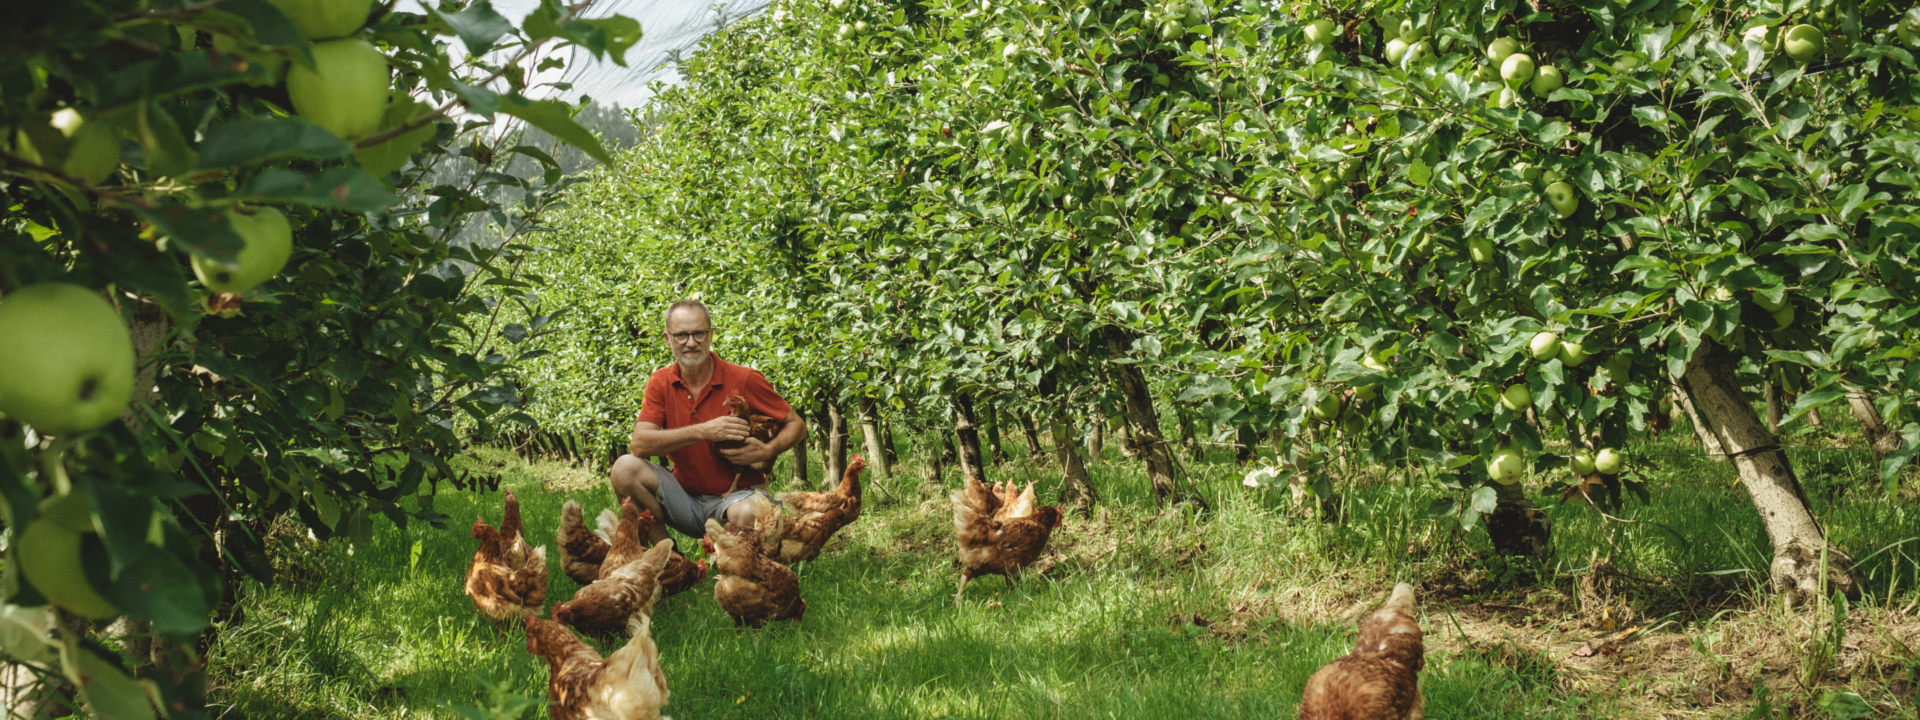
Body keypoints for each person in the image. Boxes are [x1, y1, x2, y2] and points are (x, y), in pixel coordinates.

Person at [609, 300, 807, 548]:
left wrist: (768, 450)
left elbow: (797, 426)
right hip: (685, 499)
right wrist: (704, 430)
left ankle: (740, 560)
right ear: (667, 339)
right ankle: (668, 557)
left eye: (699, 333)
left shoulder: (744, 379)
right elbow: (639, 444)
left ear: (711, 334)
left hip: (738, 498)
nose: (690, 342)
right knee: (623, 468)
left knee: (747, 514)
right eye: (681, 335)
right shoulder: (660, 382)